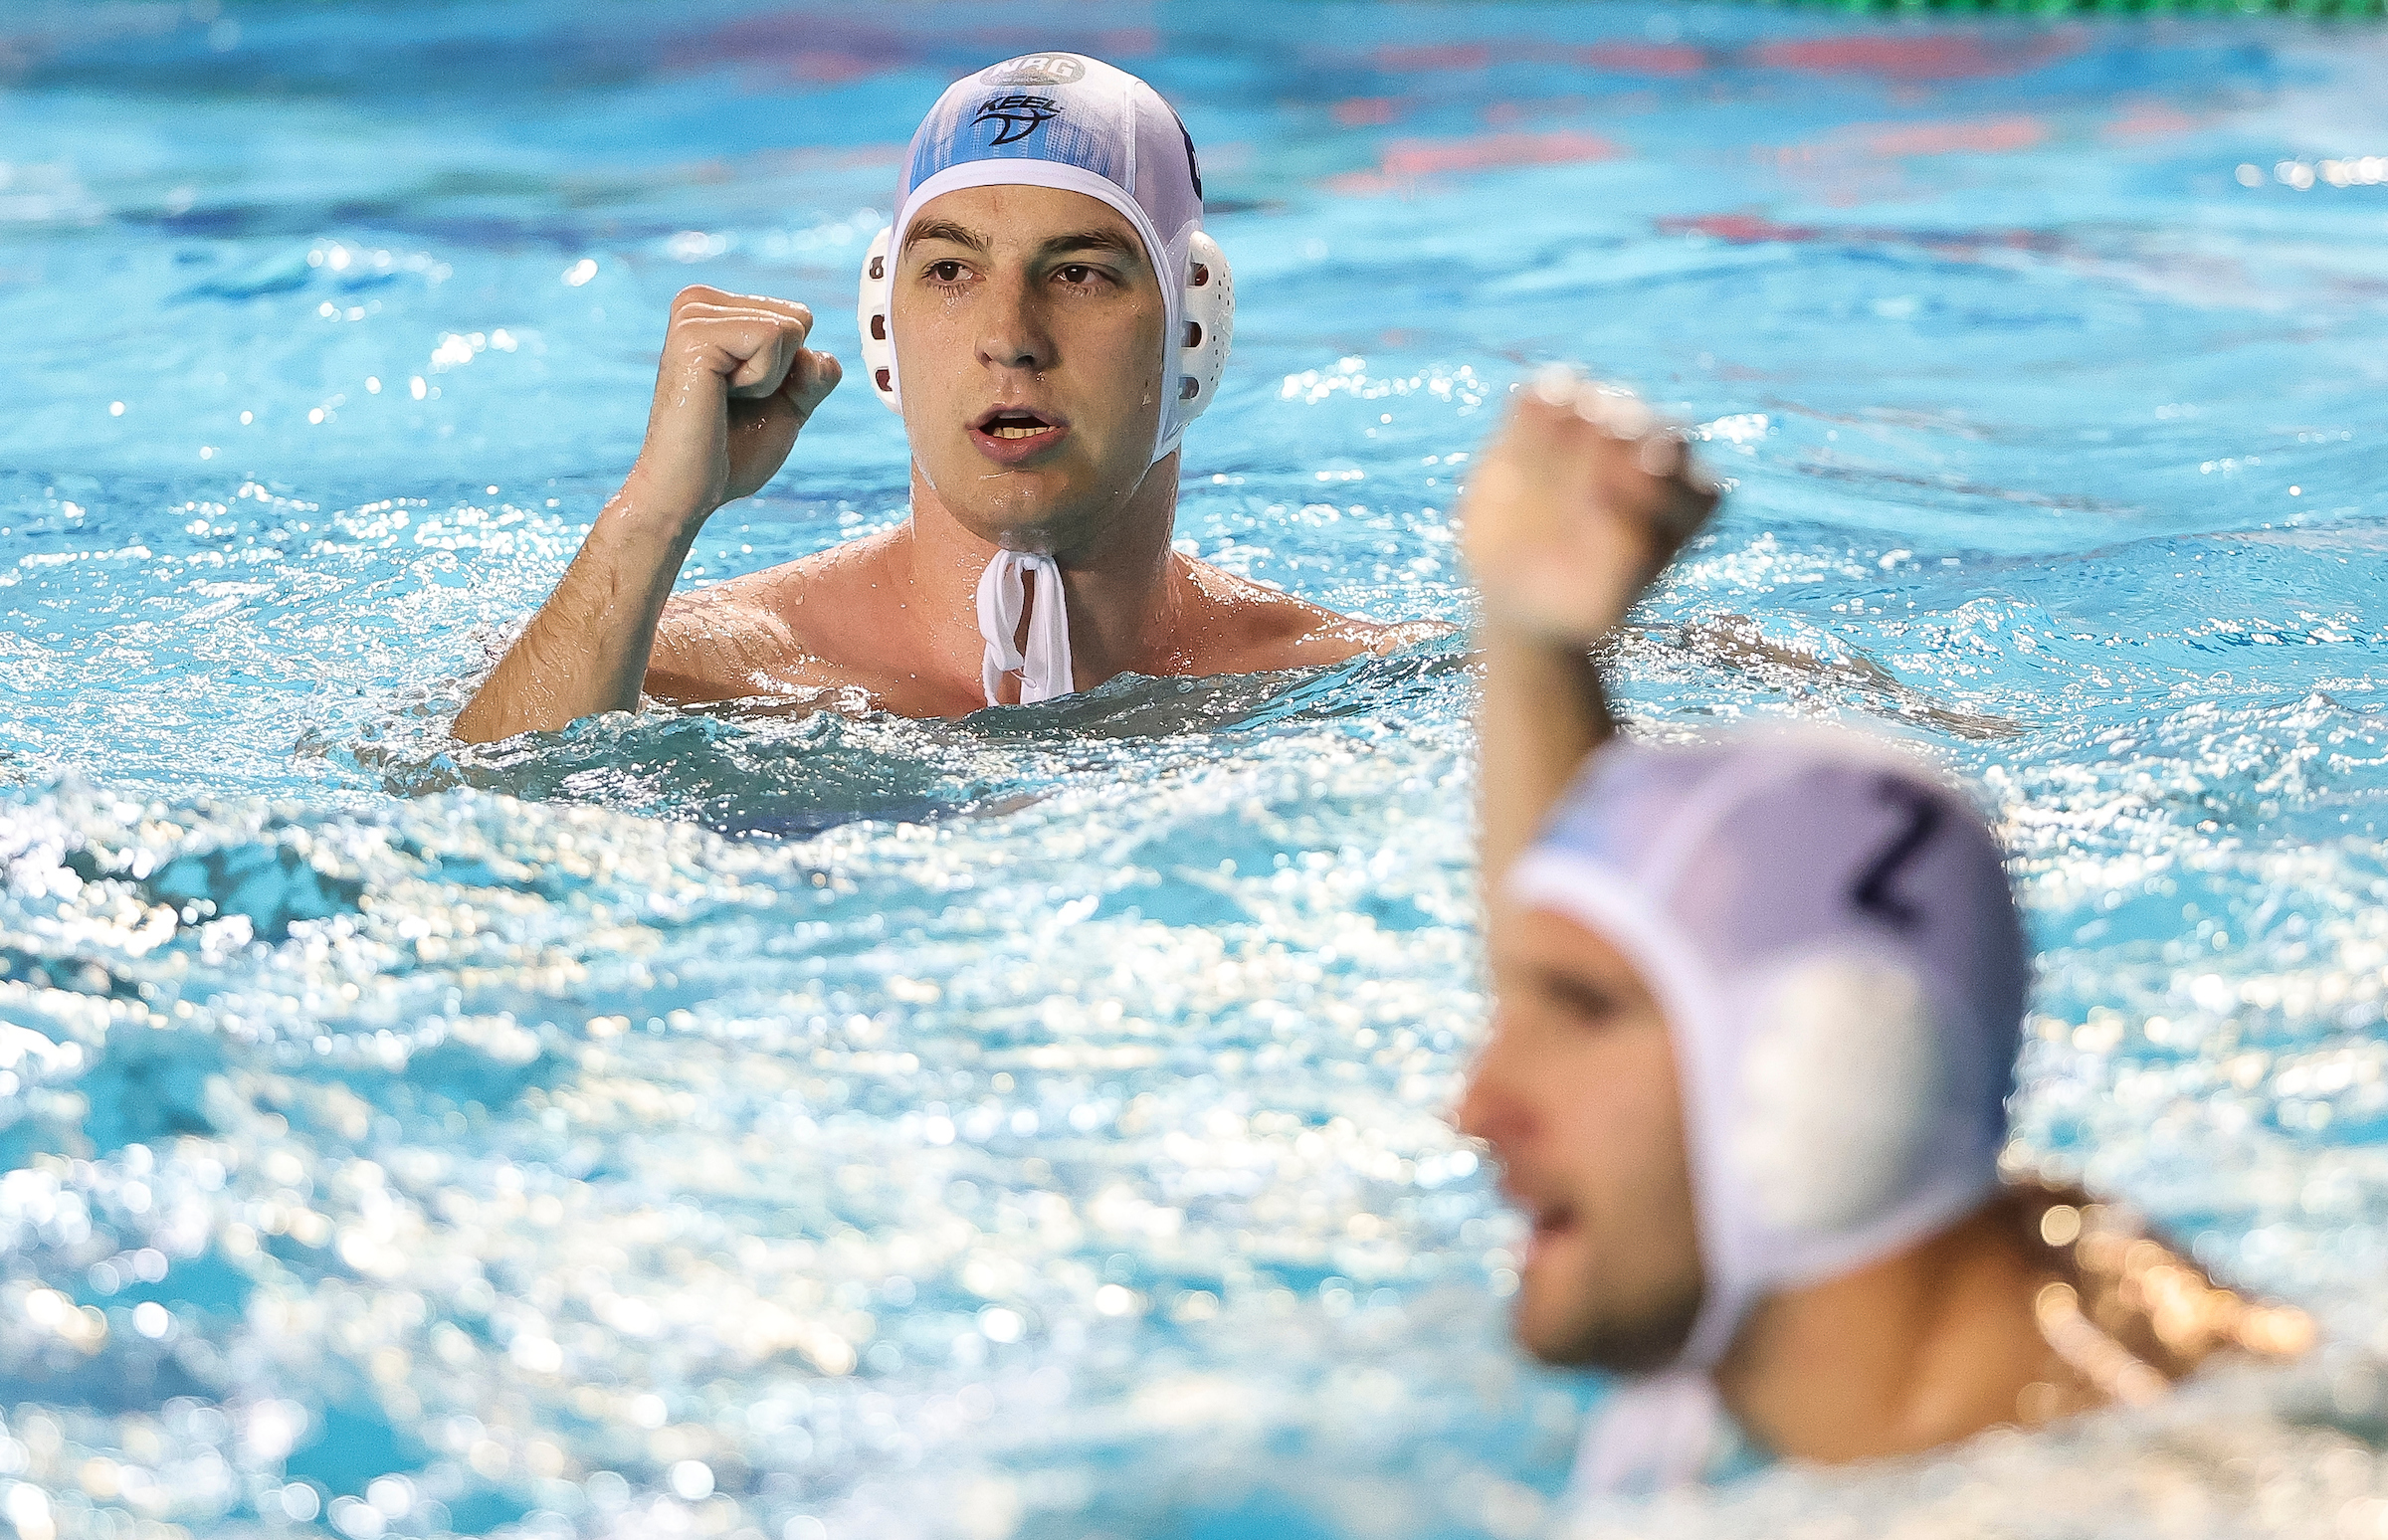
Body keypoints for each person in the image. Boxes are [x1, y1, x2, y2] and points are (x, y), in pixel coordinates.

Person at [1453, 368, 2314, 1494]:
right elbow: (1676, 969)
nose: (1474, 1106)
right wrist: (1530, 640)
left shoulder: (2168, 1500)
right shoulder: (2031, 1273)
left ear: (1815, 1069)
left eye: (1581, 1010)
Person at [453, 52, 1437, 745]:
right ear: (884, 323)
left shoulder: (1335, 684)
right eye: (951, 271)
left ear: (1192, 328)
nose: (1009, 335)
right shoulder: (680, 673)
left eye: (1080, 273)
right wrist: (650, 521)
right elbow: (468, 832)